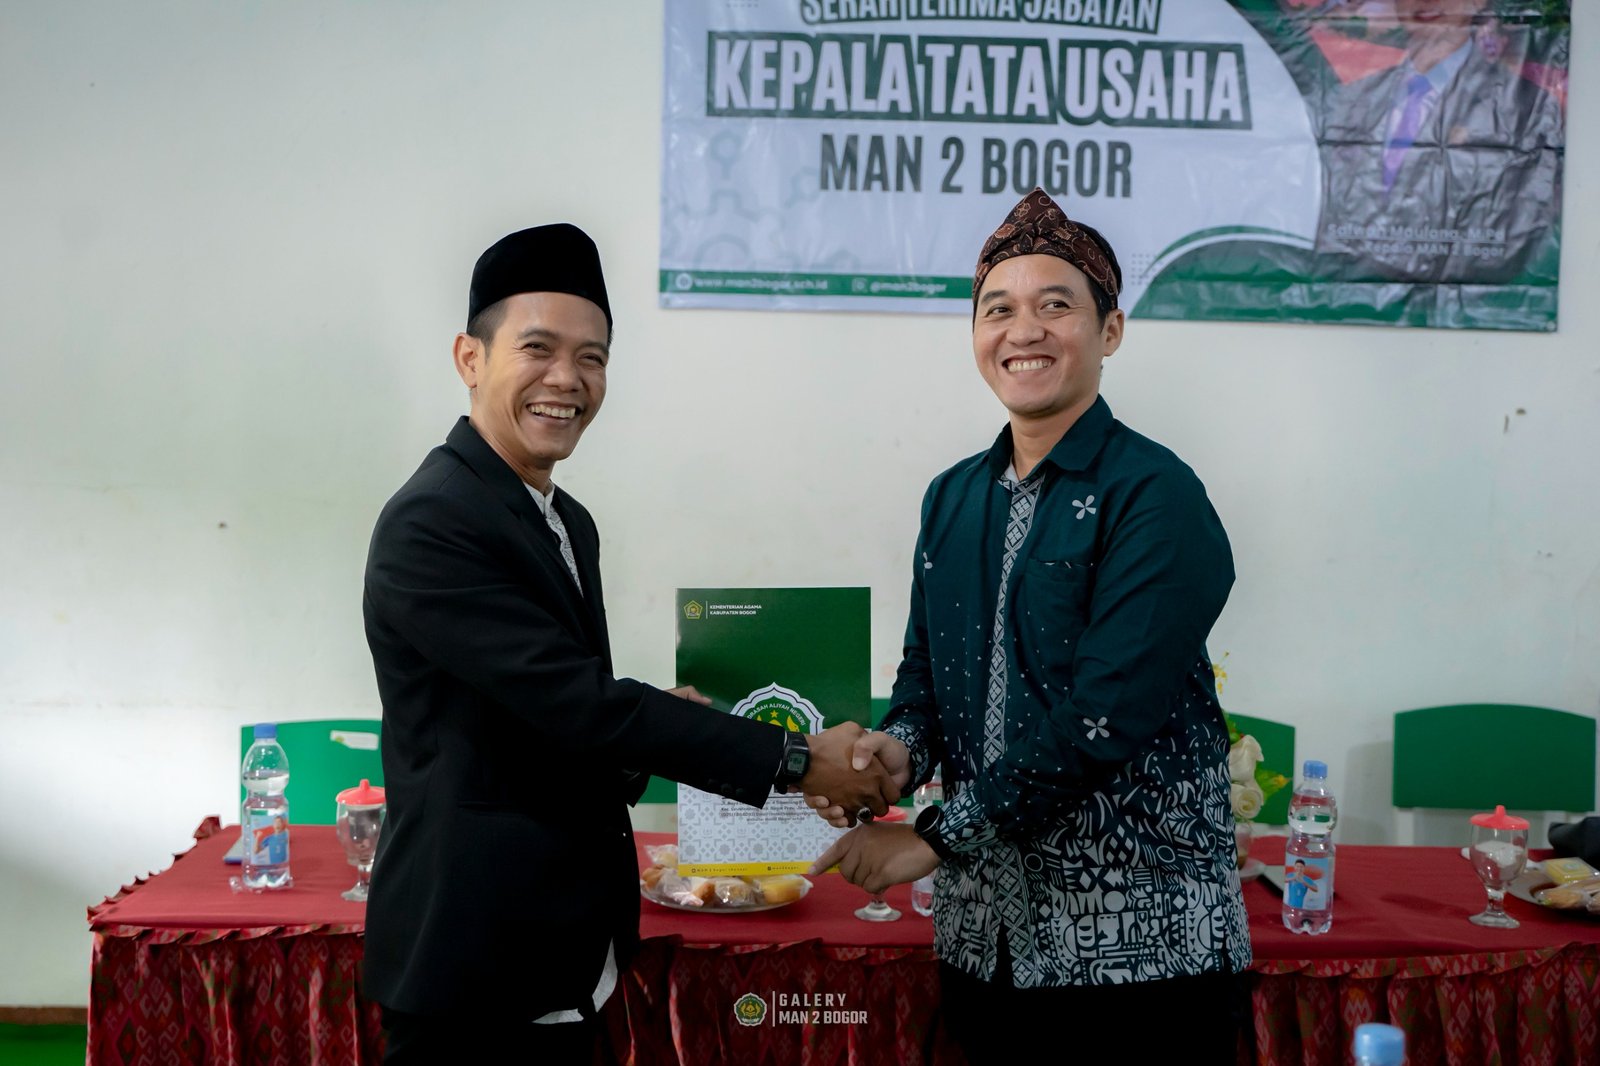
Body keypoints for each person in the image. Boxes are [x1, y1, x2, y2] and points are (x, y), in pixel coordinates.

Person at [361, 223, 896, 1062]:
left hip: (567, 956)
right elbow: (580, 706)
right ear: (470, 357)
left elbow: (550, 719)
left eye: (593, 357)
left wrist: (651, 730)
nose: (567, 379)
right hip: (476, 971)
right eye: (537, 348)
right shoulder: (433, 521)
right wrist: (796, 760)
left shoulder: (564, 520)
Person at [808, 190, 1250, 1063]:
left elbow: (1103, 719)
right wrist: (897, 753)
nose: (1024, 331)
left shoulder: (1155, 495)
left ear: (1110, 330)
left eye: (1056, 305)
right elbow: (926, 678)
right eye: (998, 309)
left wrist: (929, 841)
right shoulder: (952, 497)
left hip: (1143, 952)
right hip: (986, 945)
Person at [1313, 0, 1564, 286]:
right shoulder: (1354, 99)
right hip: (1352, 301)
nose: (1425, 1)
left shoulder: (1524, 106)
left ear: (1478, 2)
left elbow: (1523, 236)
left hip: (1468, 305)